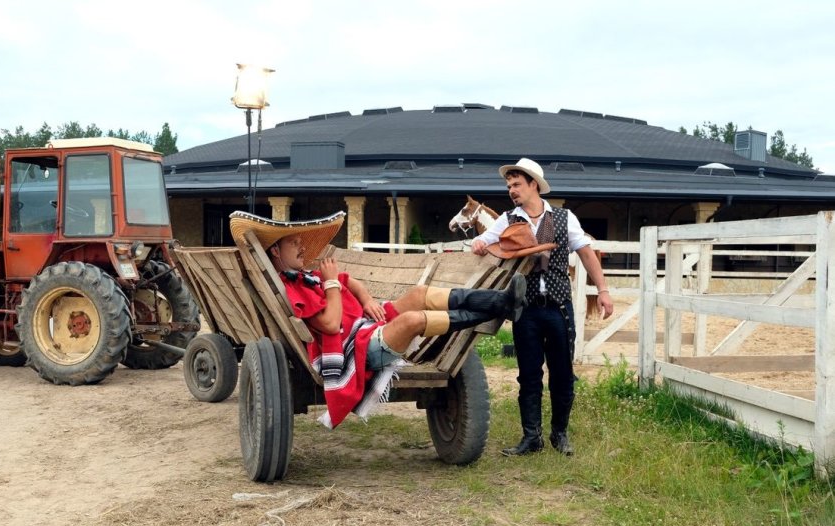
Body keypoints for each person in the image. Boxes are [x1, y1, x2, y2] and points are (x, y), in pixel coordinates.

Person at [229, 211, 529, 429]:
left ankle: (500, 301)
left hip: (367, 324)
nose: (302, 247)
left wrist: (367, 299)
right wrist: (332, 283)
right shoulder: (292, 289)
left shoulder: (309, 276)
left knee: (419, 293)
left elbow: (353, 283)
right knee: (412, 319)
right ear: (276, 252)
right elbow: (331, 325)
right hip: (358, 347)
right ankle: (498, 309)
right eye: (294, 243)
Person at [471, 158, 615, 456]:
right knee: (528, 375)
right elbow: (484, 240)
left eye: (517, 185)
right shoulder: (508, 219)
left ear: (533, 184)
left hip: (559, 308)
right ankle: (531, 438)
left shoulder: (564, 217)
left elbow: (587, 255)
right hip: (526, 310)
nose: (512, 190)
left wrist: (603, 290)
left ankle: (559, 435)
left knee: (562, 373)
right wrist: (478, 243)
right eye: (509, 186)